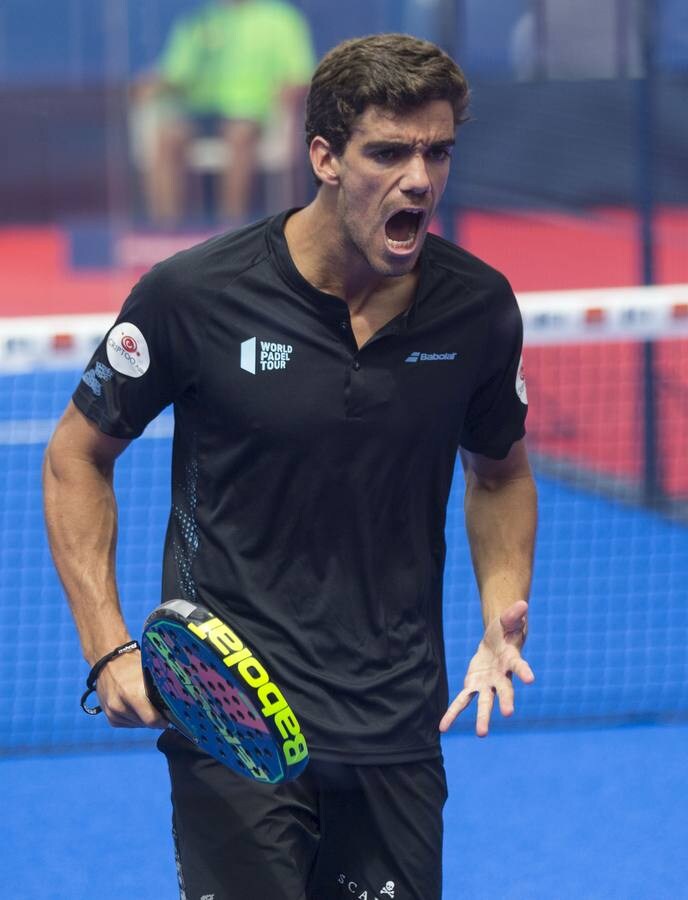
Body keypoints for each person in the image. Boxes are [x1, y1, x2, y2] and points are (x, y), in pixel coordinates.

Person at [44, 33, 537, 900]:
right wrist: (107, 647)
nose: (419, 179)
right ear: (325, 158)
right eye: (388, 152)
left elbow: (498, 470)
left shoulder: (480, 309)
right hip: (230, 718)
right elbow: (75, 457)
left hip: (396, 725)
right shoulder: (194, 296)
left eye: (437, 151)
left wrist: (501, 614)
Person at [130, 0, 316, 224]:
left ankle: (230, 228)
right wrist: (152, 86)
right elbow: (175, 74)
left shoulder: (280, 18)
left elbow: (300, 75)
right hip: (202, 111)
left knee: (238, 133)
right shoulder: (198, 19)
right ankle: (167, 229)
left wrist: (285, 97)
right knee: (167, 136)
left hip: (254, 112)